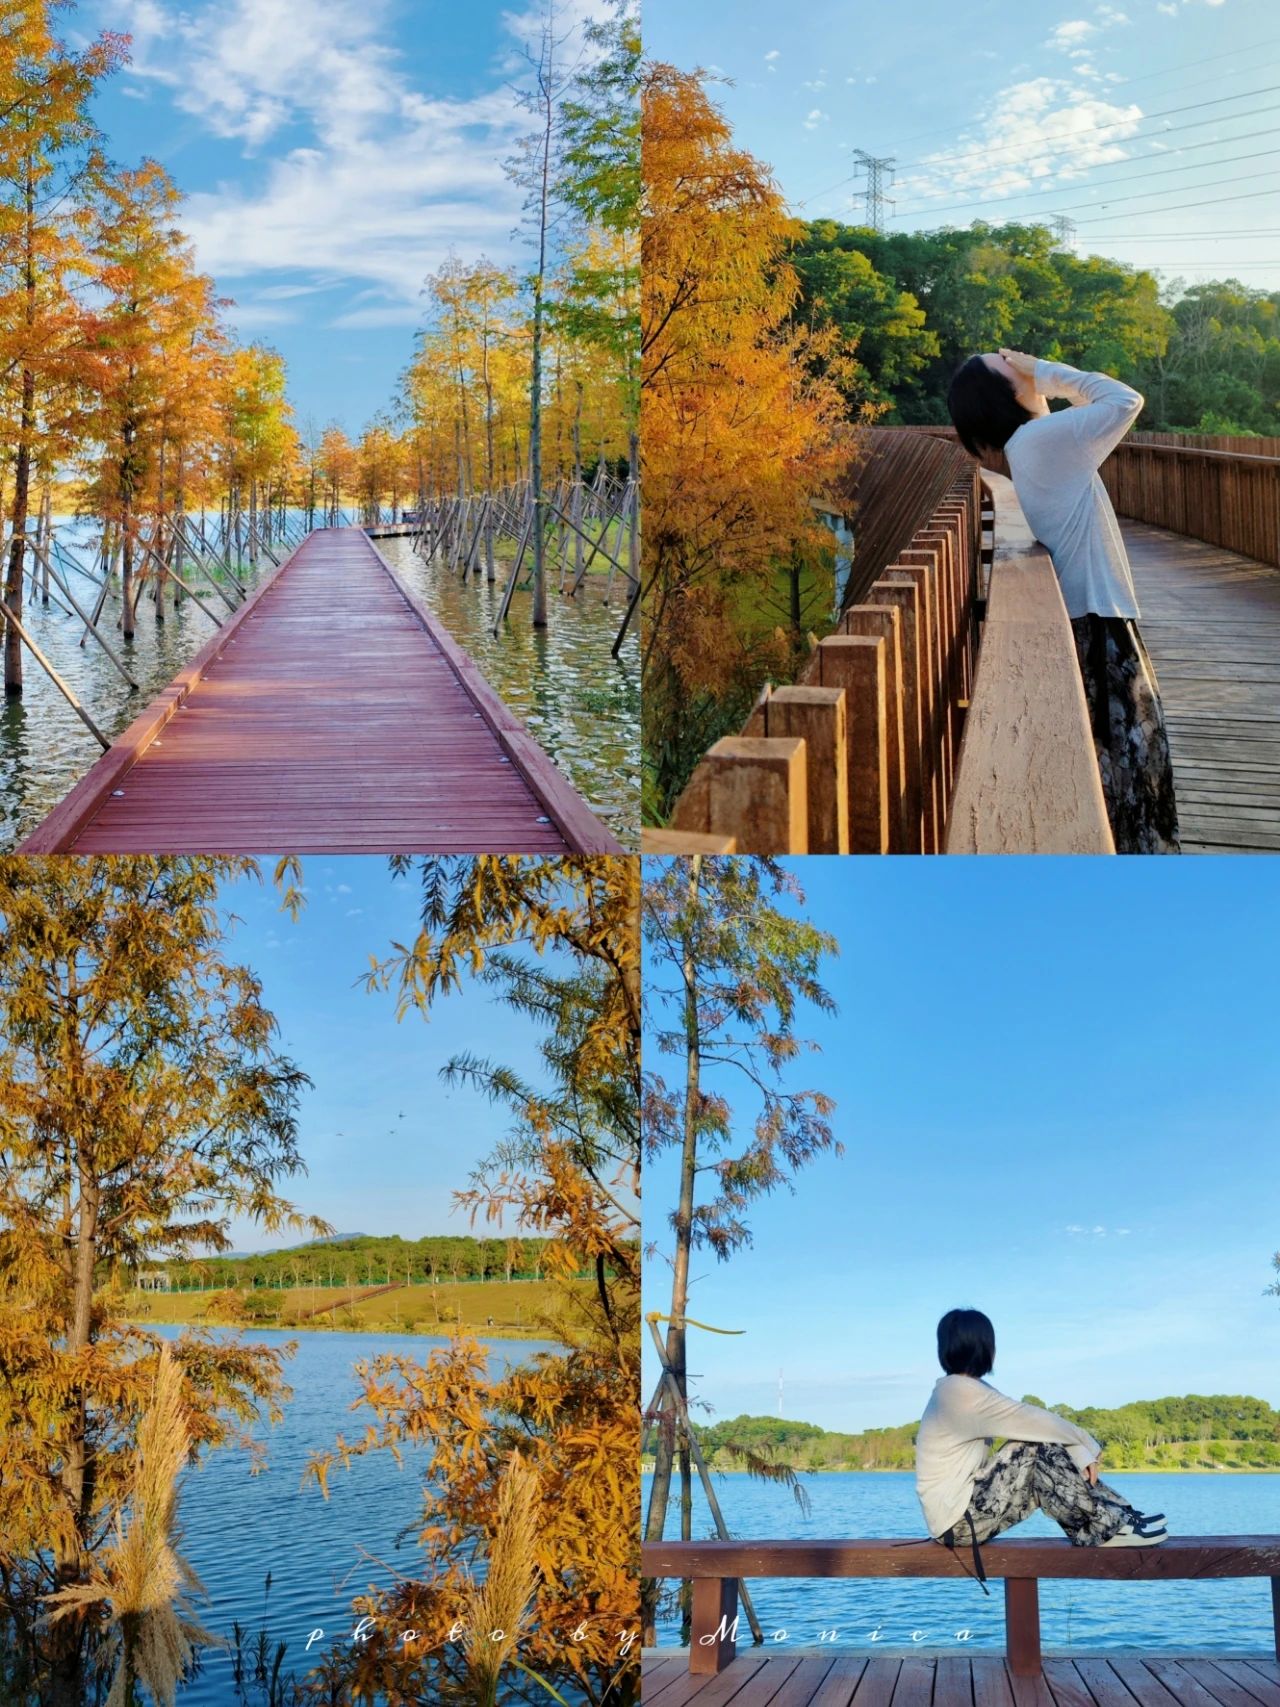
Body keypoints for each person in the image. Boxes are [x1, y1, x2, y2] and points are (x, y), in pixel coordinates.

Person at [946, 349, 1180, 855]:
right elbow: (1124, 400)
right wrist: (1047, 372)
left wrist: (1037, 383)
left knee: (1122, 776)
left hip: (1089, 618)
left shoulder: (1030, 444)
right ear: (1003, 390)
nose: (1017, 357)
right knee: (1135, 780)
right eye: (1005, 360)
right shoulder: (1040, 441)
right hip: (1100, 624)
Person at [915, 1308, 1168, 1586]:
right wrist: (1086, 1443)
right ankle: (1108, 1526)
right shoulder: (958, 1394)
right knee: (1031, 1449)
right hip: (958, 1524)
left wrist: (1080, 1450)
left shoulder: (961, 1390)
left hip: (958, 1520)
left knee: (1033, 1442)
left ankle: (1117, 1516)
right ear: (986, 1348)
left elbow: (1034, 1422)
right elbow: (1033, 1421)